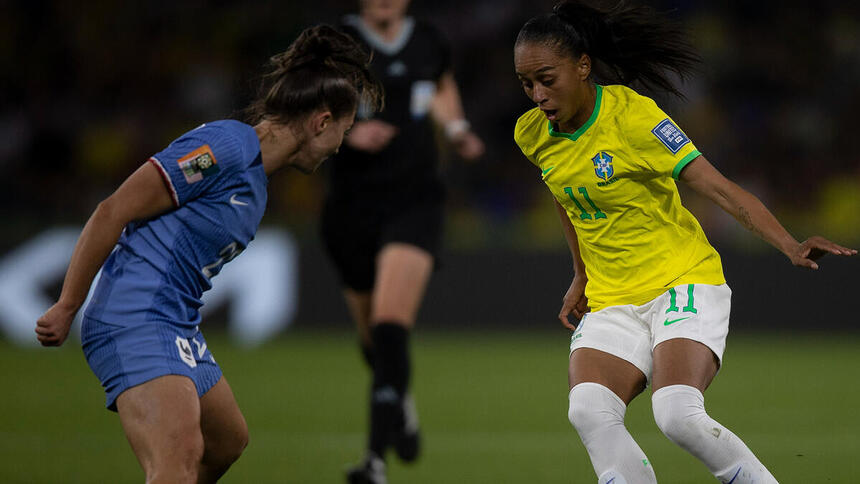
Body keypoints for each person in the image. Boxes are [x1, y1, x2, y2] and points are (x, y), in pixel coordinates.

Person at [512, 2, 856, 483]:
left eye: (547, 79)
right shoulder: (532, 135)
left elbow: (716, 186)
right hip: (613, 297)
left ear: (582, 66)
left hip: (682, 280)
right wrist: (581, 271)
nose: (538, 94)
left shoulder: (634, 118)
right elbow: (564, 197)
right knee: (588, 410)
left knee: (677, 414)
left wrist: (789, 243)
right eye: (527, 84)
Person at [34, 25, 382, 484]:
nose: (341, 143)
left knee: (225, 442)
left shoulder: (257, 184)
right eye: (344, 128)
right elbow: (113, 209)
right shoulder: (224, 148)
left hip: (176, 321)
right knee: (178, 460)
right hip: (135, 314)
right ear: (321, 121)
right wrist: (67, 304)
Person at [319, 1, 484, 482]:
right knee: (373, 341)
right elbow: (306, 102)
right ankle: (401, 403)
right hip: (350, 208)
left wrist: (455, 128)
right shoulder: (334, 41)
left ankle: (373, 461)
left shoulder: (429, 40)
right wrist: (346, 132)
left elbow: (439, 84)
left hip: (415, 201)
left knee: (390, 327)